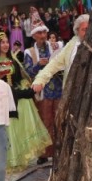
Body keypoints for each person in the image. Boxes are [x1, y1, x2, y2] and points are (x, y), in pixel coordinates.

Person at [0, 32, 52, 169]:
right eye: (3, 42)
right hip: (2, 100)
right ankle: (9, 159)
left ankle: (19, 157)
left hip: (15, 97)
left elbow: (19, 77)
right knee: (8, 129)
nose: (6, 45)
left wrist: (24, 85)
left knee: (17, 127)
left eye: (7, 42)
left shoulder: (13, 60)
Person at [22, 24, 61, 163]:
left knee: (59, 121)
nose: (43, 35)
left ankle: (59, 151)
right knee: (45, 122)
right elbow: (27, 73)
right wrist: (38, 64)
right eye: (39, 33)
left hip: (58, 90)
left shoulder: (56, 47)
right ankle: (44, 154)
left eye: (44, 32)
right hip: (42, 93)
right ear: (33, 36)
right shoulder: (29, 52)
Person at [31, 14, 90, 92]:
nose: (88, 33)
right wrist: (40, 80)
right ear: (77, 30)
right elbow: (54, 63)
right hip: (72, 92)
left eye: (89, 29)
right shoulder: (71, 45)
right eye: (84, 29)